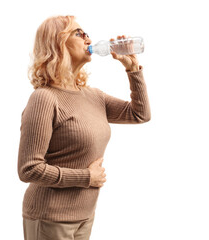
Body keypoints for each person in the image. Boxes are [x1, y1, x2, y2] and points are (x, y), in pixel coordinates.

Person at [17, 15, 151, 240]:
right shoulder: (44, 99)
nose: (88, 37)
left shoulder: (93, 96)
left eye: (86, 32)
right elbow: (29, 169)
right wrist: (86, 177)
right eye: (78, 33)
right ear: (57, 43)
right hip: (50, 217)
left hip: (85, 216)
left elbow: (140, 114)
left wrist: (133, 69)